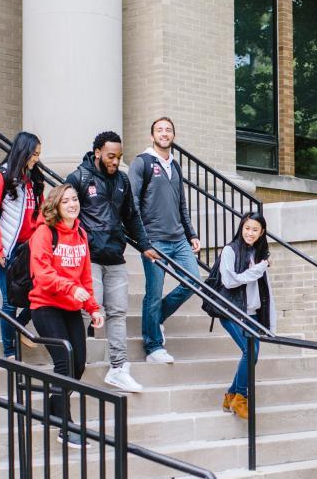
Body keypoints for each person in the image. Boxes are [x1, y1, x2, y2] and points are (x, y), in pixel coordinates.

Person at [68, 130, 158, 392]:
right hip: (89, 258)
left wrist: (145, 245)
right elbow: (62, 211)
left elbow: (132, 216)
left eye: (119, 156)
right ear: (97, 153)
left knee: (118, 313)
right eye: (110, 156)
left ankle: (119, 368)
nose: (115, 161)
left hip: (115, 258)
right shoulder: (79, 178)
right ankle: (74, 365)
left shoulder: (122, 181)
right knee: (88, 310)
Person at [30, 184, 105, 444]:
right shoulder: (44, 232)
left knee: (79, 363)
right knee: (64, 360)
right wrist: (71, 288)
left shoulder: (81, 234)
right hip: (45, 305)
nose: (72, 204)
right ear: (56, 206)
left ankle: (53, 405)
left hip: (71, 307)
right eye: (66, 201)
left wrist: (93, 307)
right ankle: (66, 425)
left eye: (74, 199)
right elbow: (43, 274)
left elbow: (85, 275)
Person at [128, 117, 201, 364]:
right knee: (153, 292)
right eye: (159, 130)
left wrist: (191, 233)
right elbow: (133, 203)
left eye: (168, 130)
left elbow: (182, 204)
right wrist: (143, 241)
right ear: (152, 136)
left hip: (179, 238)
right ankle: (153, 346)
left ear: (173, 136)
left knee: (194, 282)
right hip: (154, 240)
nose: (164, 133)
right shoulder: (142, 162)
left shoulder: (175, 166)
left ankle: (157, 317)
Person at [0, 131, 44, 358]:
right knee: (10, 301)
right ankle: (9, 351)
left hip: (26, 251)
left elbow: (39, 215)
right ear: (23, 151)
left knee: (37, 295)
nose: (36, 159)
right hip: (6, 250)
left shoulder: (32, 180)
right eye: (34, 154)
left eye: (38, 154)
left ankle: (18, 328)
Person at [216, 212, 275, 420]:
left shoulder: (259, 255)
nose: (250, 233)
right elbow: (230, 281)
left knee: (253, 355)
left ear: (262, 233)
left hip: (252, 314)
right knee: (249, 352)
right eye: (247, 228)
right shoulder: (230, 250)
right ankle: (241, 397)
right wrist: (260, 268)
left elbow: (264, 289)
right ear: (242, 228)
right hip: (231, 311)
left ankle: (231, 395)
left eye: (255, 230)